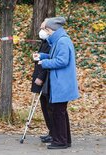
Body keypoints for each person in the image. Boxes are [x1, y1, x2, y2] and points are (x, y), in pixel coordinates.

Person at [34, 17, 79, 149]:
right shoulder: (59, 40)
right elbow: (56, 57)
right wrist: (43, 56)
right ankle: (65, 139)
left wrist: (45, 63)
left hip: (62, 83)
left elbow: (62, 60)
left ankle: (61, 141)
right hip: (61, 82)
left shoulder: (62, 41)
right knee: (61, 112)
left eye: (44, 29)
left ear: (50, 30)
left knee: (58, 112)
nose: (43, 32)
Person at [31, 20, 53, 143]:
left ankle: (54, 132)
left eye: (43, 29)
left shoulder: (51, 43)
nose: (41, 31)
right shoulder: (44, 41)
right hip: (40, 74)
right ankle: (51, 130)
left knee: (49, 106)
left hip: (44, 78)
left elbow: (49, 62)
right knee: (44, 106)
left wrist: (41, 77)